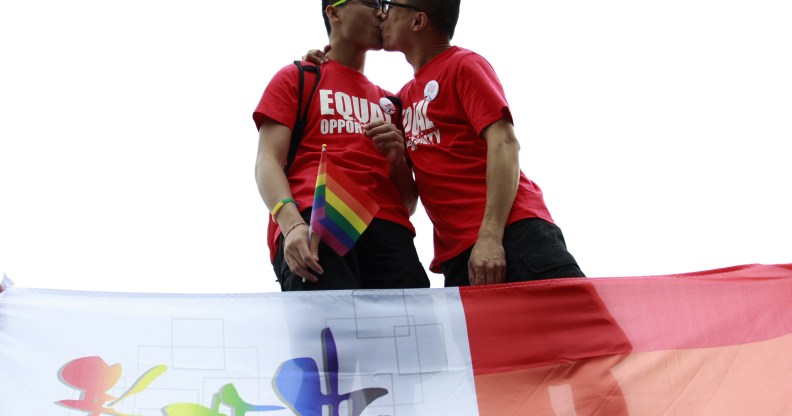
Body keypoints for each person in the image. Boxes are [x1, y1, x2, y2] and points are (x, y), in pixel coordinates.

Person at [310, 0, 584, 287]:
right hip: (458, 258)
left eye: (390, 7)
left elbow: (505, 143)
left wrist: (490, 237)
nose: (382, 13)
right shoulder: (402, 100)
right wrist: (323, 62)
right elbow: (407, 195)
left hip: (513, 236)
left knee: (580, 330)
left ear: (418, 22)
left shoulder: (463, 65)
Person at [252, 0, 429, 291]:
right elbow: (267, 160)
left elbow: (408, 203)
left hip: (390, 231)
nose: (380, 11)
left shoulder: (392, 102)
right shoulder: (298, 77)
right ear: (333, 12)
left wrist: (396, 158)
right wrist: (292, 224)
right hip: (316, 217)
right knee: (328, 334)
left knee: (408, 334)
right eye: (370, 2)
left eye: (382, 4)